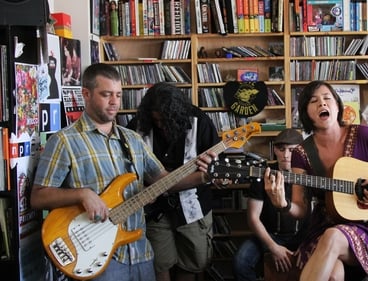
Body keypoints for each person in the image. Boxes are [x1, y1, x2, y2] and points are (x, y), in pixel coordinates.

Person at [30, 63, 215, 281]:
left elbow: (165, 181)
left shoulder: (133, 139)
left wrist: (203, 176)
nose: (114, 102)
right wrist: (82, 194)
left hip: (140, 253)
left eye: (118, 94)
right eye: (106, 94)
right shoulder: (64, 141)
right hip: (97, 256)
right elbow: (38, 196)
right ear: (86, 94)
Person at [263, 81, 368, 280]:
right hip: (324, 227)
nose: (322, 104)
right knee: (334, 273)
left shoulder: (362, 134)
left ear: (337, 105)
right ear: (306, 112)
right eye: (314, 101)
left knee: (333, 237)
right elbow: (301, 209)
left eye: (327, 98)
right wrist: (283, 205)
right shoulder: (301, 153)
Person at [127, 82, 219, 281]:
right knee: (159, 264)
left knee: (194, 263)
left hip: (193, 207)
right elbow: (125, 165)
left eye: (165, 120)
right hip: (153, 211)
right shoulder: (138, 125)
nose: (160, 125)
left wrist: (213, 173)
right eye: (156, 120)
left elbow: (215, 167)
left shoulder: (200, 122)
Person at [233, 129, 309, 281]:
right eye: (281, 149)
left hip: (304, 236)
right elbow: (253, 218)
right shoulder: (262, 173)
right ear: (274, 150)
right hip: (270, 235)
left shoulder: (310, 174)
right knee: (240, 262)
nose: (286, 155)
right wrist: (273, 247)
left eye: (292, 150)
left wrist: (308, 244)